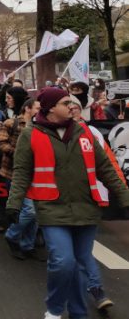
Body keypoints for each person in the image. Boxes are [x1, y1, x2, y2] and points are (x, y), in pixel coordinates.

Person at [6, 87, 129, 319]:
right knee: (63, 262)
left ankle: (78, 313)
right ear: (51, 108)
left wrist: (125, 198)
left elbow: (106, 169)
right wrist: (14, 204)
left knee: (81, 265)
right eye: (66, 102)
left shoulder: (84, 131)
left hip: (86, 208)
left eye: (72, 102)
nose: (72, 106)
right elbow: (21, 172)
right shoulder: (30, 134)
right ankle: (53, 308)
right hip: (52, 209)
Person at [68, 95, 122, 311]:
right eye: (66, 107)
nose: (71, 111)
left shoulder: (93, 133)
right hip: (61, 203)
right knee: (70, 253)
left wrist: (120, 190)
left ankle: (94, 290)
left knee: (81, 251)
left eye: (74, 108)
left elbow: (108, 163)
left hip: (89, 199)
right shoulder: (53, 133)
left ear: (81, 111)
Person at [0, 98, 45, 261]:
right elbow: (0, 143)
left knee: (35, 212)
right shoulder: (12, 123)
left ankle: (27, 246)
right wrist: (20, 153)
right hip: (14, 174)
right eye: (38, 107)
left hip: (37, 175)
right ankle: (12, 235)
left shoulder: (42, 125)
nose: (40, 110)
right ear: (28, 108)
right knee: (29, 210)